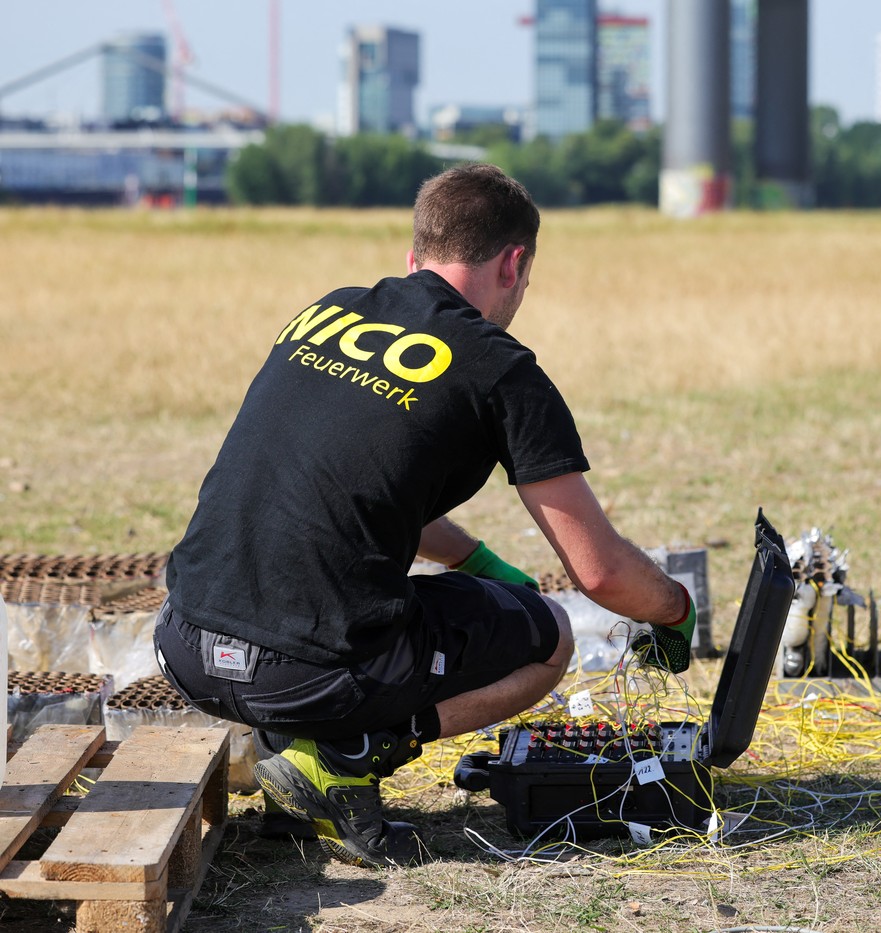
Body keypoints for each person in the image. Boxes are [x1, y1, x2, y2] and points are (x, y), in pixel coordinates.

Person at [154, 163, 696, 868]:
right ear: (515, 263)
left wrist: (474, 560)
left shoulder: (331, 309)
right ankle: (352, 751)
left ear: (415, 258)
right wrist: (675, 611)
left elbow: (354, 485)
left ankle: (298, 744)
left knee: (368, 609)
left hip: (184, 645)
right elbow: (598, 572)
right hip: (296, 672)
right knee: (550, 638)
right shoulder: (501, 370)